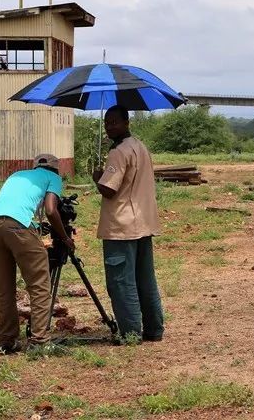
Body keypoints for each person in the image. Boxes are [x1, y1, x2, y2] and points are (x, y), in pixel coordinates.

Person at [0, 153, 74, 354]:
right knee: (40, 284)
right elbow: (51, 210)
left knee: (5, 288)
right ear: (56, 169)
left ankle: (6, 340)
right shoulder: (54, 178)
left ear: (35, 167)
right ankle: (40, 341)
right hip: (17, 227)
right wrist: (65, 238)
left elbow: (13, 205)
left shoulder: (17, 175)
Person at [93, 105, 164, 341]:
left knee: (121, 282)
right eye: (106, 122)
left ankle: (131, 333)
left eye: (114, 122)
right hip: (143, 222)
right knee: (145, 279)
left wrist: (97, 178)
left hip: (121, 227)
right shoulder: (140, 147)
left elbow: (109, 190)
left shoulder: (119, 151)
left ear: (126, 123)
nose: (109, 127)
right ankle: (154, 330)